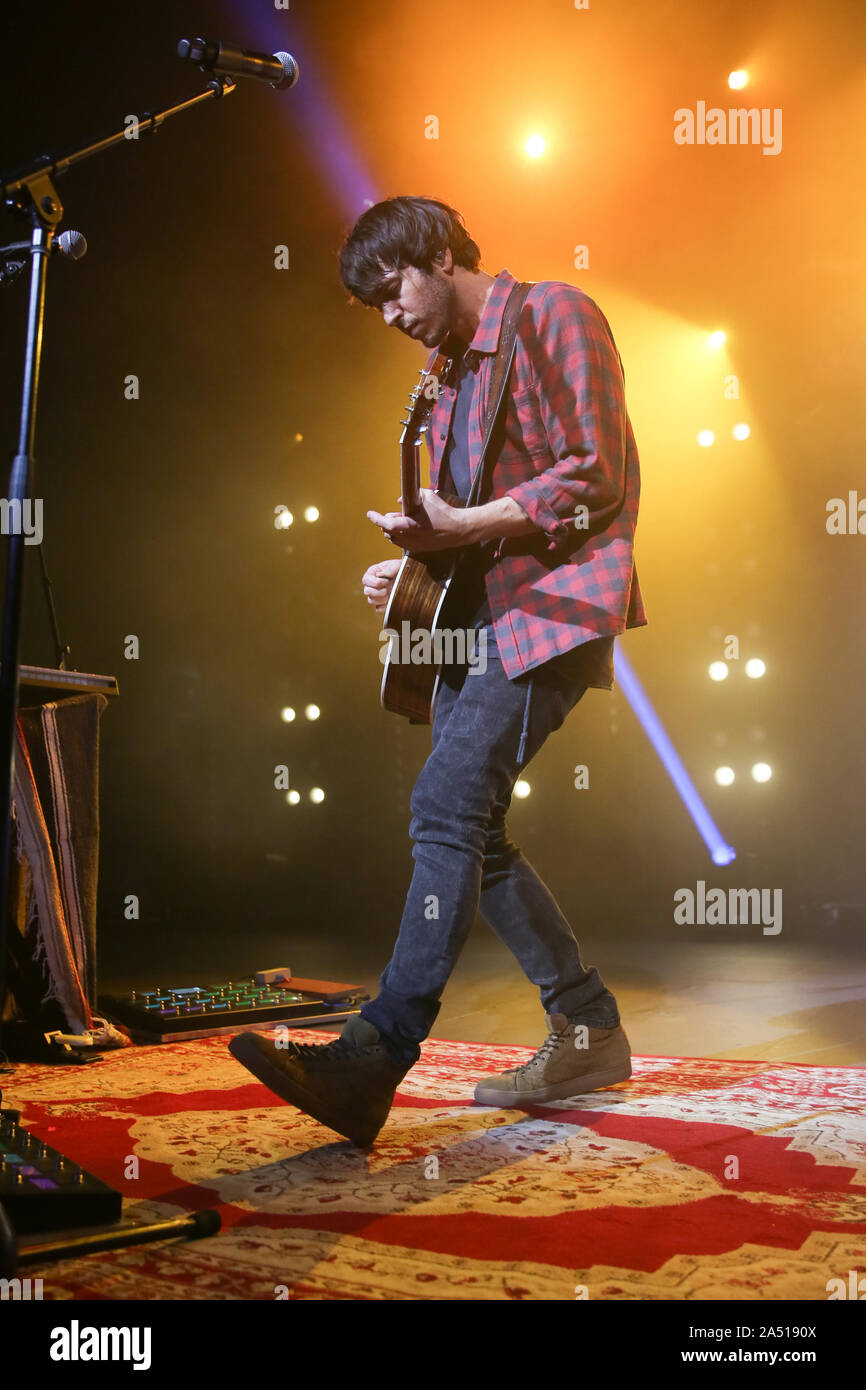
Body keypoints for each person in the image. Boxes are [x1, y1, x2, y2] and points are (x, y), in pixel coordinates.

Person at [229, 196, 646, 1146]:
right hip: (478, 616)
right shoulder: (448, 377)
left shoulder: (554, 313)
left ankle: (378, 1054)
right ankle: (586, 1024)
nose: (389, 314)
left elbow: (595, 471)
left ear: (442, 254)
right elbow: (468, 518)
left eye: (392, 288)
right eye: (369, 304)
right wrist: (417, 560)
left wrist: (457, 527)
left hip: (551, 610)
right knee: (474, 828)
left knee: (445, 811)